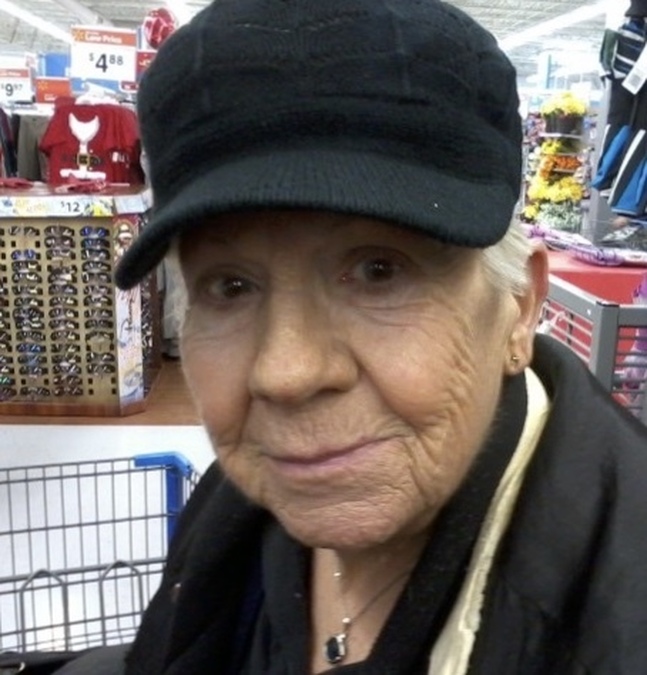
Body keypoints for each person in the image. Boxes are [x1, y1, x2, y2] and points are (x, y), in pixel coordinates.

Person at [59, 0, 647, 673]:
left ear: (518, 307)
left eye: (378, 272)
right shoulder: (233, 511)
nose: (285, 373)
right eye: (230, 286)